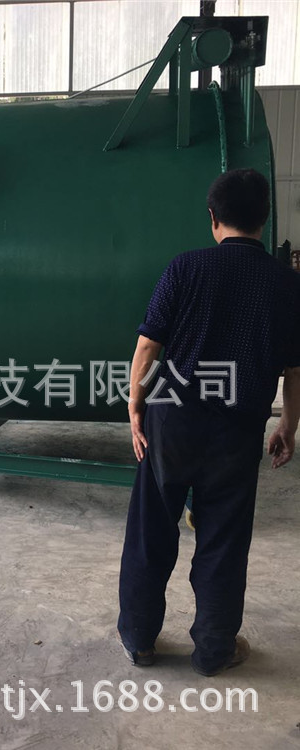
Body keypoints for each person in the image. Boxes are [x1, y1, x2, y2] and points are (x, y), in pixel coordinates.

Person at [118, 168, 300, 676]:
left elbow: (148, 347)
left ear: (213, 218)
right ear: (264, 219)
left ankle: (139, 640)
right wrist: (288, 425)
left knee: (151, 533)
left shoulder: (186, 267)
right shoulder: (288, 285)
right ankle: (214, 651)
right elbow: (294, 369)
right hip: (237, 432)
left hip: (171, 424)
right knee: (224, 542)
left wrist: (135, 406)